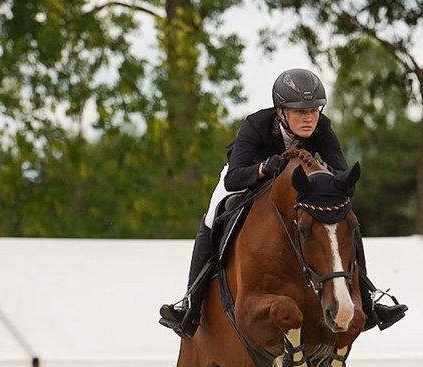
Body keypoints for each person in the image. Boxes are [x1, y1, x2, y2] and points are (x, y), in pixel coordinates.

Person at [158, 67, 407, 338]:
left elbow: (341, 172)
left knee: (344, 218)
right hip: (249, 178)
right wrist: (265, 167)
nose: (309, 118)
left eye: (313, 110)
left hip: (297, 189)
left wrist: (330, 183)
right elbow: (233, 179)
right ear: (281, 112)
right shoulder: (255, 125)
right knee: (212, 216)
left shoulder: (322, 127)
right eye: (301, 111)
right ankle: (191, 304)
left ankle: (369, 300)